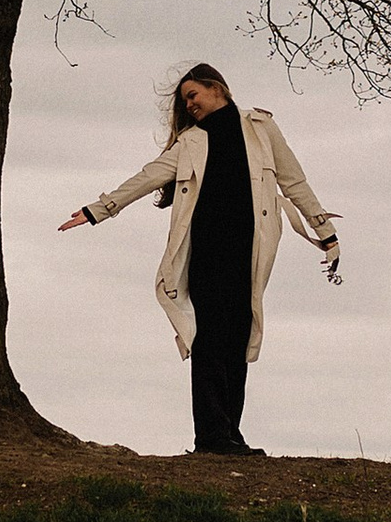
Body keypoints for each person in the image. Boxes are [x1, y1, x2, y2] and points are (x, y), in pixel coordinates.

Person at [57, 64, 339, 455]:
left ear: (217, 88)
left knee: (238, 338)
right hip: (206, 251)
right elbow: (148, 177)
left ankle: (231, 434)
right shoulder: (190, 142)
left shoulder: (261, 128)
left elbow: (294, 181)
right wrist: (98, 210)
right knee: (209, 338)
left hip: (249, 251)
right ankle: (211, 436)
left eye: (193, 95)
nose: (189, 105)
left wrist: (324, 230)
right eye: (185, 101)